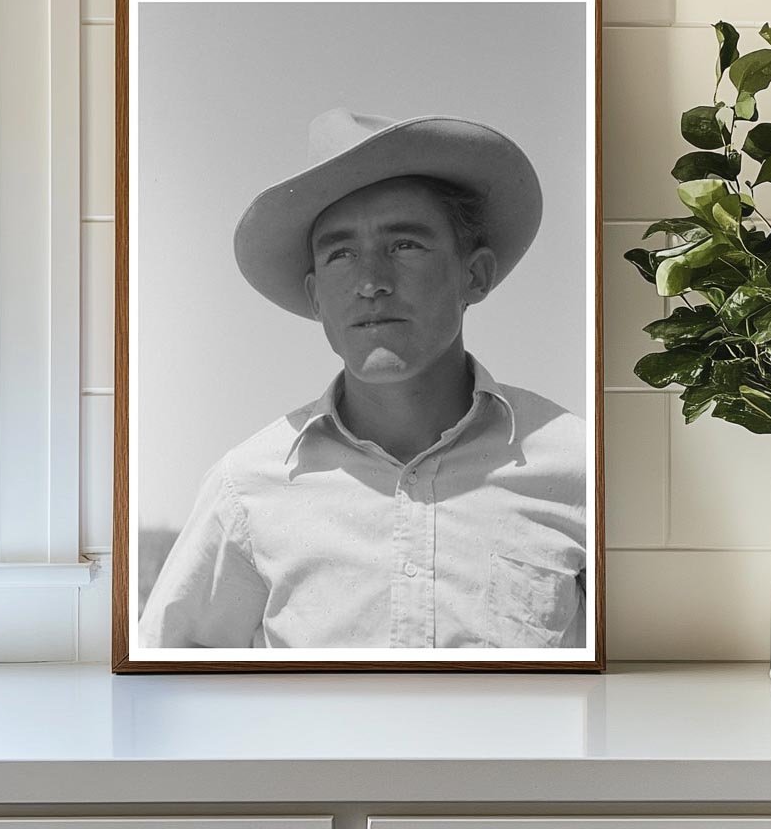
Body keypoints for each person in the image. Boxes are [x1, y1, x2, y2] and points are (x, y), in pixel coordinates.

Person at [139, 108, 586, 649]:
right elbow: (171, 682)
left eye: (405, 245)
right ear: (314, 298)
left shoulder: (580, 468)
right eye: (341, 254)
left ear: (475, 274)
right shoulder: (245, 487)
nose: (372, 281)